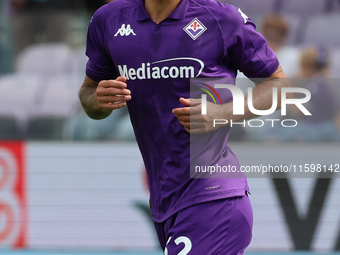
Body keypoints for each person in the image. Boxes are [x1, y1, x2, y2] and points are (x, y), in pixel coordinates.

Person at [78, 0, 288, 253]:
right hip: (164, 200)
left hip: (213, 196)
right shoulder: (109, 20)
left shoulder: (221, 18)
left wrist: (221, 113)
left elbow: (280, 87)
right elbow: (89, 93)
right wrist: (98, 99)